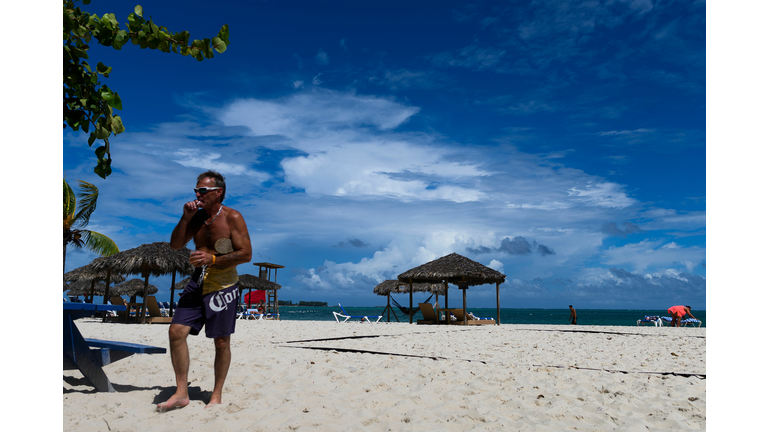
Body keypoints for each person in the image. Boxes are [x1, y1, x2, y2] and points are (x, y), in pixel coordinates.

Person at [158, 170, 252, 411]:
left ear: (218, 192)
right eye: (196, 190)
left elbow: (246, 254)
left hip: (223, 284)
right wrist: (185, 218)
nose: (197, 194)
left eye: (202, 190)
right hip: (197, 281)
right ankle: (181, 392)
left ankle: (216, 394)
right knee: (176, 331)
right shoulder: (196, 217)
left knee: (221, 341)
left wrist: (213, 259)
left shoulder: (233, 217)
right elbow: (175, 244)